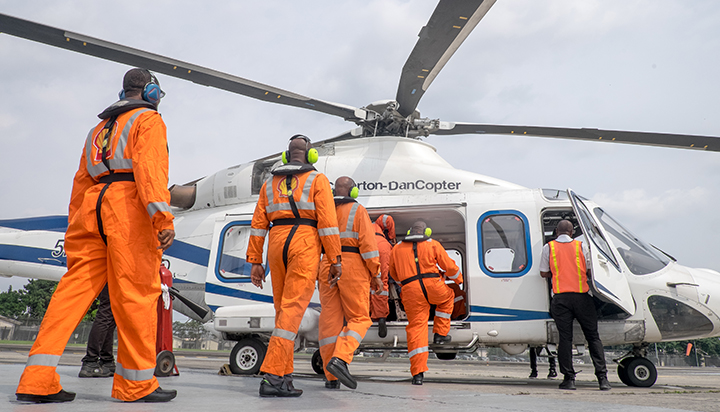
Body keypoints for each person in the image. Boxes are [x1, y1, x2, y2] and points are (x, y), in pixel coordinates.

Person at [16, 68, 176, 403]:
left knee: (71, 294)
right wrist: (162, 219)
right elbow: (150, 172)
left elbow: (80, 181)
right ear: (152, 93)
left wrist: (76, 224)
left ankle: (36, 379)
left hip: (91, 209)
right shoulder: (148, 121)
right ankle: (135, 385)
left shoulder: (98, 130)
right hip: (127, 210)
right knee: (135, 296)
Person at [248, 135, 342, 398]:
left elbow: (257, 224)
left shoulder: (269, 183)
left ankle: (284, 376)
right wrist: (335, 259)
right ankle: (274, 376)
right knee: (292, 312)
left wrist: (256, 261)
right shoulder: (318, 180)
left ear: (287, 156)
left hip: (276, 245)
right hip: (304, 243)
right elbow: (328, 224)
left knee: (283, 312)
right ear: (311, 156)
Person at [318, 176, 382, 390]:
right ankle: (341, 359)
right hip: (352, 265)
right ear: (353, 191)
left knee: (329, 323)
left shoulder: (323, 210)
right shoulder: (358, 210)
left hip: (326, 264)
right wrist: (376, 273)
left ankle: (331, 377)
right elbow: (369, 246)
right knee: (360, 318)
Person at [540, 219, 611, 391]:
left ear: (557, 231)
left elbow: (543, 273)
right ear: (572, 232)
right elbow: (589, 270)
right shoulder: (582, 246)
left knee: (565, 339)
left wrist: (557, 273)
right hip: (582, 297)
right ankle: (603, 379)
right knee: (593, 337)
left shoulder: (548, 247)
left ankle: (569, 379)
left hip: (561, 298)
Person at [389, 220, 462, 385]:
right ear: (426, 232)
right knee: (448, 297)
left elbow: (393, 273)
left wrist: (405, 284)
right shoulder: (433, 244)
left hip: (411, 291)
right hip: (434, 287)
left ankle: (418, 374)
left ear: (409, 232)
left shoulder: (397, 248)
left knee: (416, 328)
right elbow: (450, 267)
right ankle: (440, 335)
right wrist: (458, 279)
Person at [79, 284, 116, 378]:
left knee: (111, 315)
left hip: (113, 275)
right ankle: (91, 361)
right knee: (106, 313)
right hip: (117, 274)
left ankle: (107, 361)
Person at [370, 214, 395, 338]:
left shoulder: (361, 222)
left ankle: (368, 315)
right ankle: (381, 317)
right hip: (383, 246)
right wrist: (392, 237)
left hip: (367, 245)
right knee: (382, 282)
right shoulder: (379, 223)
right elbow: (387, 219)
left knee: (367, 283)